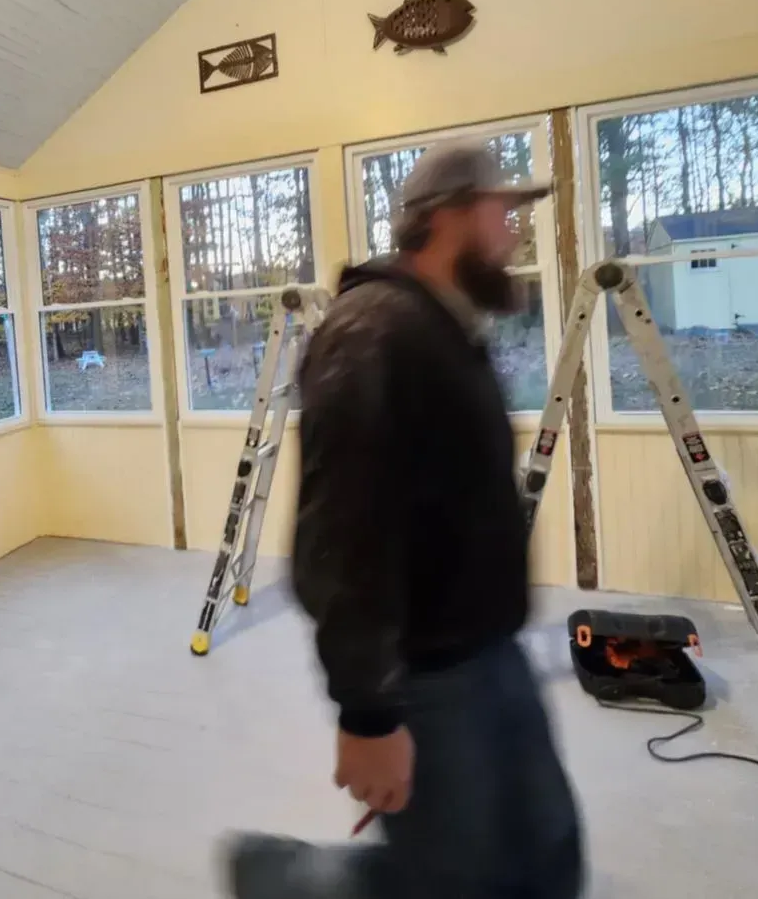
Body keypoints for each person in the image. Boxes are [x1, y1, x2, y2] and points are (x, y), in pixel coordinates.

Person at [223, 141, 583, 898]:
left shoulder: (444, 327)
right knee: (450, 882)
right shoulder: (375, 333)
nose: (513, 232)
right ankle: (282, 879)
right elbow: (343, 538)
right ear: (450, 216)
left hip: (491, 651)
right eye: (502, 212)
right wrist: (368, 715)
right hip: (427, 677)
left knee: (547, 854)